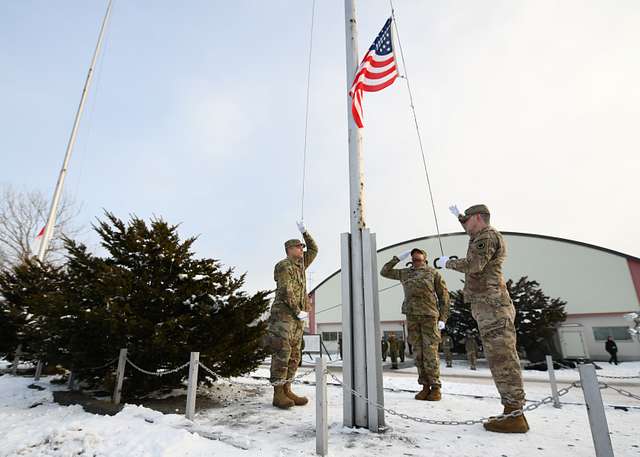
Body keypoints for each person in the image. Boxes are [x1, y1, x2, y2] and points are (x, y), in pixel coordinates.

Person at [434, 204, 529, 433]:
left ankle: (515, 414)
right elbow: (476, 255)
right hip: (488, 306)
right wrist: (459, 216)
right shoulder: (481, 236)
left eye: (468, 221)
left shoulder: (486, 236)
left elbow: (475, 265)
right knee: (499, 358)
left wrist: (448, 263)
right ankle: (512, 412)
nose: (465, 226)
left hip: (492, 305)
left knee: (503, 359)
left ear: (478, 217)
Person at [381, 248, 450, 401]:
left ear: (425, 259)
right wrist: (397, 258)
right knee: (418, 353)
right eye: (413, 259)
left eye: (418, 259)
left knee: (430, 353)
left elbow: (444, 297)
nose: (416, 262)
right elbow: (384, 271)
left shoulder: (433, 273)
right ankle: (425, 386)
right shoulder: (405, 273)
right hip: (412, 317)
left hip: (429, 317)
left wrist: (443, 319)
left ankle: (436, 387)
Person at [266, 222, 318, 409]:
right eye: (298, 246)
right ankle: (278, 393)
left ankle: (288, 389)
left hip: (297, 317)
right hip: (284, 315)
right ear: (289, 249)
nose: (302, 249)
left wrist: (305, 233)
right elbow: (286, 289)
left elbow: (314, 248)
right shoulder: (283, 265)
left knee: (295, 354)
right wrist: (297, 310)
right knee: (282, 351)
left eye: (301, 246)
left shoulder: (300, 266)